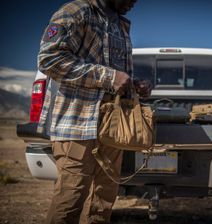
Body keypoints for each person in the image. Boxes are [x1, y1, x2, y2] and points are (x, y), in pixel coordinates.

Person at [36, 0, 151, 223]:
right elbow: (49, 59)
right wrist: (109, 77)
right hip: (77, 123)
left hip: (113, 126)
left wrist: (132, 84)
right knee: (70, 197)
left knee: (103, 199)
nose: (135, 2)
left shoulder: (119, 24)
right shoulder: (76, 11)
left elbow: (115, 75)